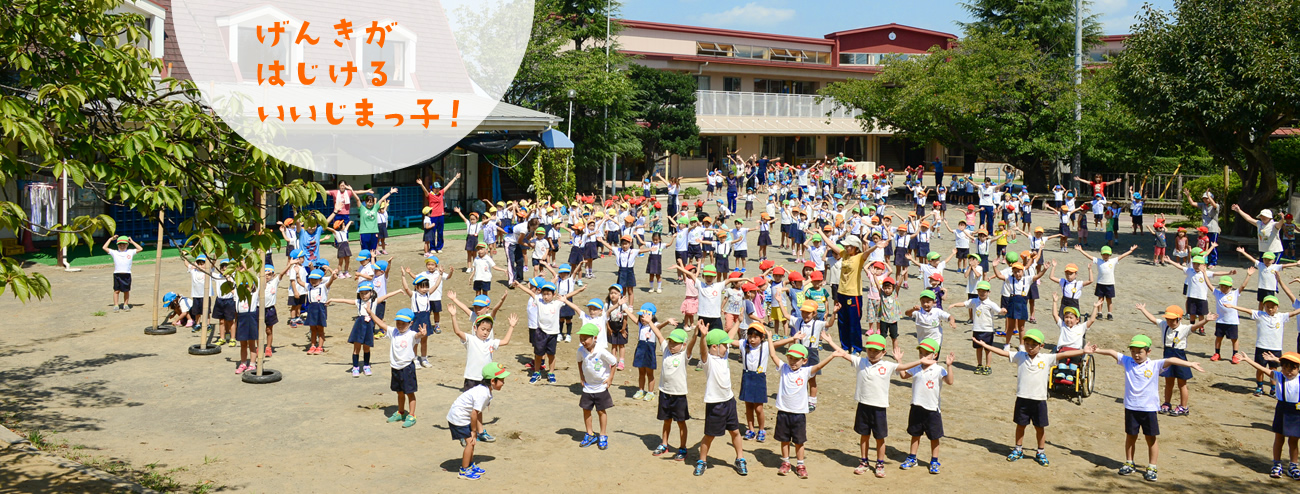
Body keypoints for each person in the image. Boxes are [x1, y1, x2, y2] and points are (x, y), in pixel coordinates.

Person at [973, 329, 1096, 466]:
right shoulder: (1020, 356)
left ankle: (1040, 452)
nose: (1030, 347)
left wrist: (1083, 352)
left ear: (1041, 346)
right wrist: (985, 345)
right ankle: (1018, 449)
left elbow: (1066, 354)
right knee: (1020, 425)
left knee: (1040, 428)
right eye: (1027, 344)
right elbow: (1003, 353)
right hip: (1022, 398)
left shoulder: (1046, 358)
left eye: (1033, 345)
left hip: (1039, 400)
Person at [1094, 335, 1205, 482]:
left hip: (1148, 409)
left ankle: (1152, 466)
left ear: (1148, 351)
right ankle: (1129, 462)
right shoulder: (1128, 362)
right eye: (1133, 351)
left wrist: (1189, 364)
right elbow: (1112, 352)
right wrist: (1097, 350)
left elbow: (1171, 360)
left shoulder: (1155, 365)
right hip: (1131, 407)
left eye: (1140, 352)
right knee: (1130, 436)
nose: (1136, 355)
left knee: (1151, 438)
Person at [768, 336, 844, 478]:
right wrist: (769, 337)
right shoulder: (783, 368)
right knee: (784, 440)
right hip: (783, 412)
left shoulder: (806, 372)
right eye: (790, 358)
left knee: (799, 441)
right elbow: (772, 354)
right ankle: (785, 462)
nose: (793, 362)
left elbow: (819, 366)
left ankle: (800, 464)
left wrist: (832, 355)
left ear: (804, 361)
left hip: (798, 414)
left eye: (796, 359)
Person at [1134, 304, 1216, 417]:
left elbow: (1195, 326)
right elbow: (1153, 319)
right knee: (1169, 382)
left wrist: (1206, 320)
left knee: (1182, 383)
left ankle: (1184, 406)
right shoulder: (1164, 325)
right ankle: (1167, 403)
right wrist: (1143, 309)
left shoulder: (1184, 329)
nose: (1169, 322)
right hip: (1167, 354)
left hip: (1180, 355)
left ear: (1179, 319)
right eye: (1167, 319)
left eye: (1172, 320)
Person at [695, 327, 750, 477]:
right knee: (709, 435)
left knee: (735, 432)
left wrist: (738, 321)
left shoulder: (723, 356)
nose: (728, 347)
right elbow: (703, 351)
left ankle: (740, 458)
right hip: (715, 404)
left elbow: (729, 336)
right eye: (725, 345)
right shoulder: (708, 361)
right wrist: (703, 337)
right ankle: (702, 461)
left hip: (729, 401)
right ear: (714, 347)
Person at [1238, 351, 1300, 479]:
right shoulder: (1278, 376)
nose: (1288, 372)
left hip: (1297, 412)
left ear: (1298, 368)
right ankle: (1276, 464)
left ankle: (1293, 466)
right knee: (1279, 438)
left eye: (1292, 369)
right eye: (1285, 368)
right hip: (1282, 409)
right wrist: (1248, 360)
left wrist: (1278, 360)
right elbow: (1262, 368)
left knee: (1294, 440)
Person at [898, 339, 956, 474]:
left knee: (934, 437)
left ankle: (934, 461)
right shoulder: (916, 367)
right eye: (921, 353)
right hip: (916, 406)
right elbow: (903, 375)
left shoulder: (938, 369)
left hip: (932, 409)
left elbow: (950, 381)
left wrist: (949, 366)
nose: (923, 356)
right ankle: (912, 458)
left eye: (927, 354)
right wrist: (899, 361)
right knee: (915, 434)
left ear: (935, 355)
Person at [446, 362, 509, 481]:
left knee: (473, 442)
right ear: (492, 381)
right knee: (470, 442)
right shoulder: (482, 393)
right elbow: (474, 413)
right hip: (459, 418)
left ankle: (469, 464)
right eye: (501, 380)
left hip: (463, 417)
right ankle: (464, 471)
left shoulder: (485, 390)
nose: (503, 383)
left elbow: (476, 413)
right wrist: (474, 431)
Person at [371, 307, 426, 428]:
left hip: (407, 368)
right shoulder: (393, 332)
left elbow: (418, 336)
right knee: (399, 392)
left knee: (410, 393)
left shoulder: (411, 334)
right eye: (398, 323)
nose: (400, 325)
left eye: (403, 323)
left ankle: (412, 415)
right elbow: (381, 323)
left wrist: (422, 334)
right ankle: (401, 412)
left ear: (410, 323)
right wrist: (370, 312)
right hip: (395, 368)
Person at [575, 323, 617, 450]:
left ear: (595, 338)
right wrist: (581, 376)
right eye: (581, 339)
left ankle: (603, 435)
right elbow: (579, 362)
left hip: (600, 387)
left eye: (585, 339)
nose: (583, 342)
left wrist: (610, 378)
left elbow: (614, 362)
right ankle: (590, 433)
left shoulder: (601, 351)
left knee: (601, 411)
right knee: (586, 409)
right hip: (588, 387)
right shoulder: (581, 351)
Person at [951, 281, 1005, 375]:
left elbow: (999, 311)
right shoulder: (974, 301)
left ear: (989, 292)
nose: (982, 293)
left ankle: (988, 366)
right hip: (976, 329)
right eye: (980, 291)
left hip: (987, 330)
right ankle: (979, 364)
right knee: (978, 348)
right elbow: (964, 304)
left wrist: (1003, 311)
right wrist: (954, 305)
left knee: (988, 349)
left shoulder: (991, 303)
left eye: (984, 291)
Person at [1076, 244, 1139, 320]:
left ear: (1110, 255)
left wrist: (1131, 250)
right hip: (1100, 283)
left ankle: (1110, 313)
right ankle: (1100, 313)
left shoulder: (1113, 261)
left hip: (1110, 283)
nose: (1106, 256)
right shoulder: (1098, 261)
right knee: (1100, 299)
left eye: (1107, 255)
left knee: (1109, 299)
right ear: (1101, 254)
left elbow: (1122, 256)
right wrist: (1081, 250)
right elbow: (1089, 256)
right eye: (1104, 254)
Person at [416, 173, 462, 253]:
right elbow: (425, 191)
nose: (437, 189)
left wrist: (455, 178)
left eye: (438, 188)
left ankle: (439, 247)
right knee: (432, 232)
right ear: (433, 188)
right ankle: (432, 247)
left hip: (440, 215)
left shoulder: (441, 193)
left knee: (440, 232)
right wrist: (421, 184)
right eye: (436, 188)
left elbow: (448, 186)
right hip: (433, 216)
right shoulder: (430, 195)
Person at [103, 235, 142, 312]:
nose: (122, 246)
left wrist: (132, 241)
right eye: (120, 245)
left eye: (124, 244)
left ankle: (125, 304)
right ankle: (116, 305)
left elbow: (140, 248)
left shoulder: (130, 252)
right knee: (116, 291)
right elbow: (104, 247)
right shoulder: (115, 252)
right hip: (117, 274)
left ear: (127, 245)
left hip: (127, 274)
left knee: (126, 291)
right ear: (118, 245)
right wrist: (110, 239)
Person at [1182, 189, 1221, 264]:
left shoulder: (1216, 206)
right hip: (1204, 229)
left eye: (1207, 198)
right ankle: (1204, 260)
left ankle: (1213, 262)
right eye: (1204, 198)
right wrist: (1188, 196)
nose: (1205, 200)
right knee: (1202, 245)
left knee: (1212, 246)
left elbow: (1214, 205)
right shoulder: (1203, 205)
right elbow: (1193, 203)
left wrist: (1209, 196)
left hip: (1213, 229)